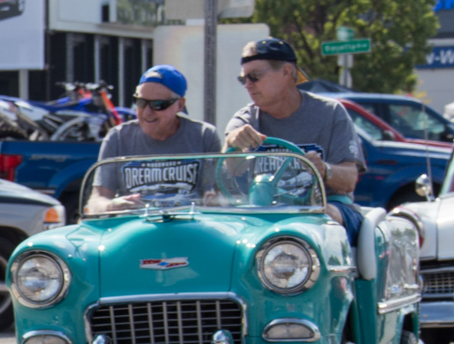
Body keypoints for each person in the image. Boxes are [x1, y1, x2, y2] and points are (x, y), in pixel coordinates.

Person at [222, 37, 366, 239]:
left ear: (286, 72)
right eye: (243, 79)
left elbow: (349, 180)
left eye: (254, 77)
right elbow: (229, 170)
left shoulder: (330, 112)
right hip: (262, 210)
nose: (248, 85)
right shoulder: (246, 119)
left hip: (326, 206)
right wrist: (233, 142)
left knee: (320, 215)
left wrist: (324, 170)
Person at [84, 65, 222, 213]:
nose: (147, 112)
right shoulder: (117, 138)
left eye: (158, 104)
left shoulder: (204, 136)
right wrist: (112, 206)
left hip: (188, 224)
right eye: (141, 102)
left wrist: (216, 201)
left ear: (180, 105)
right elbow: (96, 201)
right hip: (135, 225)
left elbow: (221, 195)